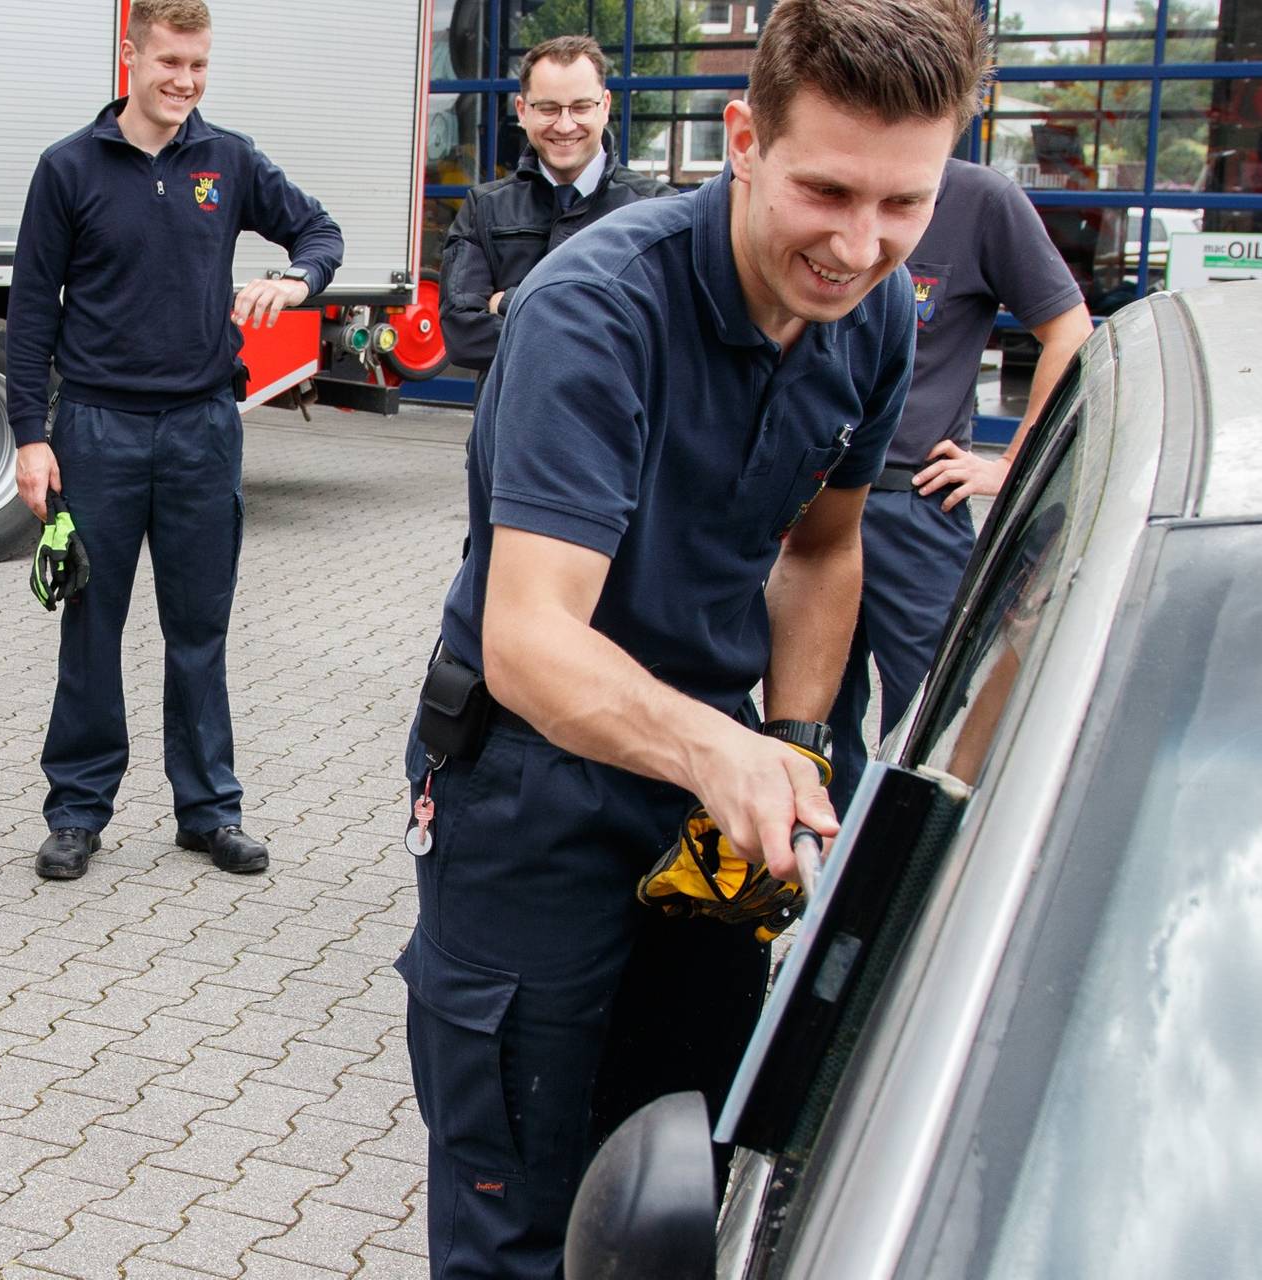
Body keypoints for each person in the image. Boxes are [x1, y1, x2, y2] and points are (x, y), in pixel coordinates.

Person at [391, 0, 991, 1273]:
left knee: (682, 1180)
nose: (859, 243)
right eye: (827, 190)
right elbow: (532, 641)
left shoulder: (875, 314)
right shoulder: (594, 312)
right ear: (743, 138)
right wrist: (721, 755)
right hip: (531, 792)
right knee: (522, 1214)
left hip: (711, 796)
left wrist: (790, 743)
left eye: (905, 204)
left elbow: (823, 550)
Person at [8, 0, 344, 882]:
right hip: (97, 430)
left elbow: (320, 232)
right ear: (131, 55)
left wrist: (296, 279)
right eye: (169, 62)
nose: (184, 82)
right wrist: (26, 437)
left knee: (200, 628)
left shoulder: (226, 160)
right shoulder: (67, 168)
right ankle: (78, 812)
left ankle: (208, 811)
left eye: (198, 66)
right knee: (93, 625)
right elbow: (31, 314)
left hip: (201, 429)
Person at [824, 157, 1091, 806]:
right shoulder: (823, 180)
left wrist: (1011, 464)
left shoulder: (980, 200)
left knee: (925, 719)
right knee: (813, 715)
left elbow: (1069, 330)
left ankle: (904, 873)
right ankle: (823, 879)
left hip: (911, 507)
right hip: (808, 498)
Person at [438, 35, 678, 379]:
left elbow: (664, 334)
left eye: (580, 107)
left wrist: (509, 303)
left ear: (605, 106)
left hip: (615, 428)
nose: (565, 125)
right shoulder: (485, 209)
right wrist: (598, 325)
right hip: (509, 429)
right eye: (548, 108)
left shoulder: (655, 210)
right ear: (523, 111)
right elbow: (464, 336)